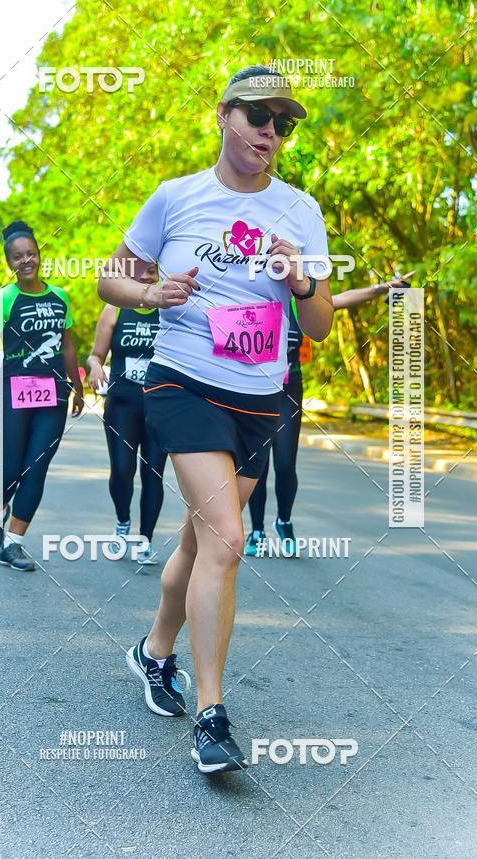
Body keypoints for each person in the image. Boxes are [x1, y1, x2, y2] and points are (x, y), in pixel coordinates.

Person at [98, 65, 333, 774]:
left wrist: (302, 282)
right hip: (184, 384)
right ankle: (211, 715)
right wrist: (150, 291)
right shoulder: (176, 198)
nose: (271, 132)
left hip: (259, 400)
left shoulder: (301, 210)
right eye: (260, 116)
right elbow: (110, 277)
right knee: (229, 538)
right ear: (225, 114)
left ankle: (152, 652)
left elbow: (318, 323)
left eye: (284, 124)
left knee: (201, 544)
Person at [245, 273, 415, 556]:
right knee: (258, 466)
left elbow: (340, 300)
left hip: (288, 391)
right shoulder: (254, 301)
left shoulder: (302, 304)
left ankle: (284, 522)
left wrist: (384, 288)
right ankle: (257, 531)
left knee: (285, 464)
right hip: (254, 390)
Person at [0, 220, 83, 571]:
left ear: (40, 255)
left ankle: (14, 543)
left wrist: (78, 386)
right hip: (15, 395)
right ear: (10, 262)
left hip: (53, 395)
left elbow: (67, 345)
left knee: (37, 467)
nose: (26, 261)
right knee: (11, 466)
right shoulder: (3, 300)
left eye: (31, 254)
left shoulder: (60, 298)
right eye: (18, 257)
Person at [88, 262, 165, 566]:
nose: (146, 276)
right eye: (140, 271)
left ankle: (145, 540)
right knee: (122, 470)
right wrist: (95, 367)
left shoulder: (170, 310)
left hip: (159, 406)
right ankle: (123, 524)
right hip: (122, 404)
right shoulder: (114, 308)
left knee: (153, 473)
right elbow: (96, 354)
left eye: (152, 271)